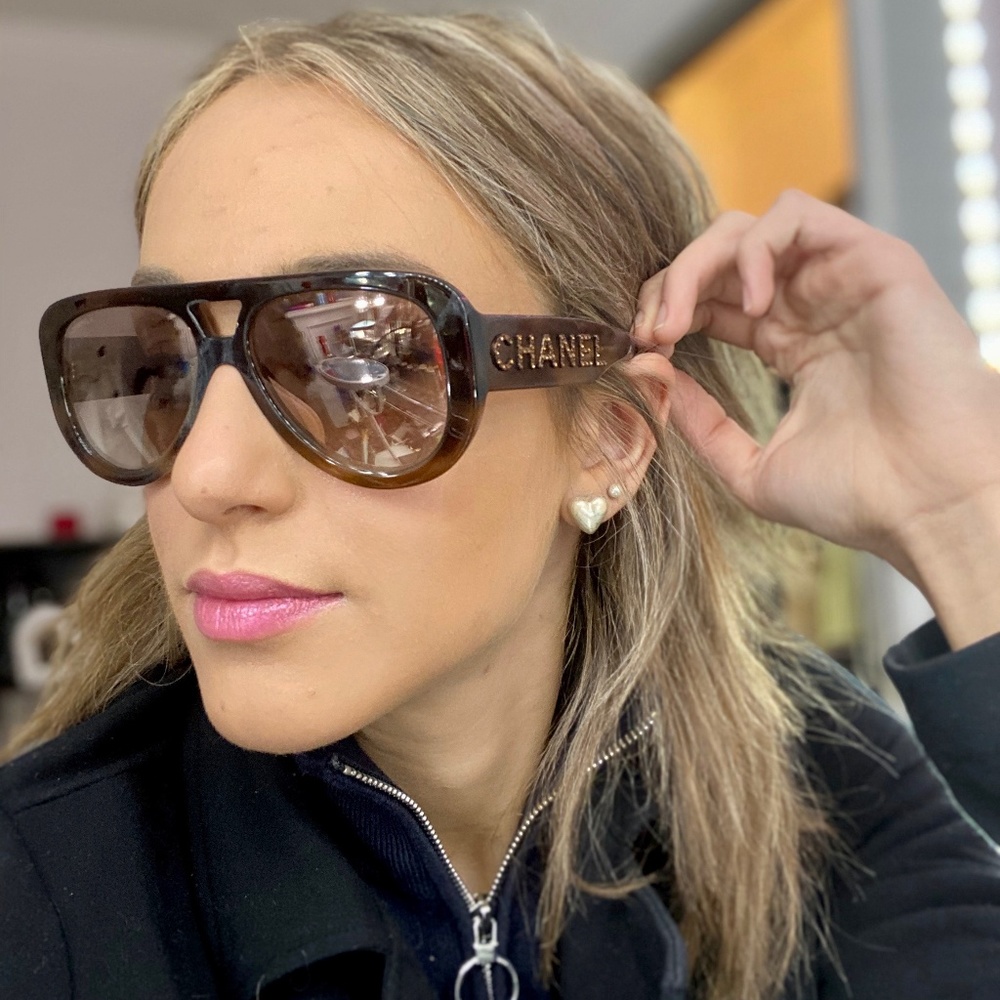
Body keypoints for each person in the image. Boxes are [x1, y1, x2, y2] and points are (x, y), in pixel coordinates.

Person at [1, 12, 999, 1000]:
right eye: (164, 360)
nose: (206, 474)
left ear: (607, 441)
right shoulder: (36, 903)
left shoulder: (820, 788)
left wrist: (966, 510)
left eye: (359, 360)